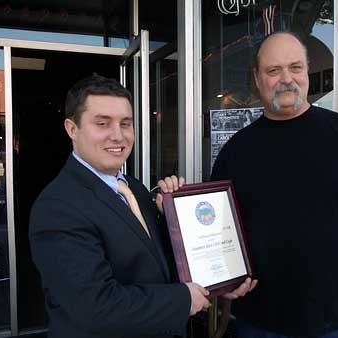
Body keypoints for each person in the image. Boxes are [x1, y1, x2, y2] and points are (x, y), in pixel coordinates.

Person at [211, 32, 338, 338]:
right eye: (273, 70)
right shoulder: (234, 153)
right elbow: (219, 235)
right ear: (257, 78)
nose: (286, 79)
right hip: (258, 325)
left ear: (307, 73)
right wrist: (223, 283)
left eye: (295, 68)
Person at [29, 74, 217, 338]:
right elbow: (96, 308)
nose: (118, 136)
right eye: (102, 123)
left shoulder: (134, 188)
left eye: (125, 124)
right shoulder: (57, 207)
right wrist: (182, 300)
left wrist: (174, 218)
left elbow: (152, 263)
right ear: (72, 129)